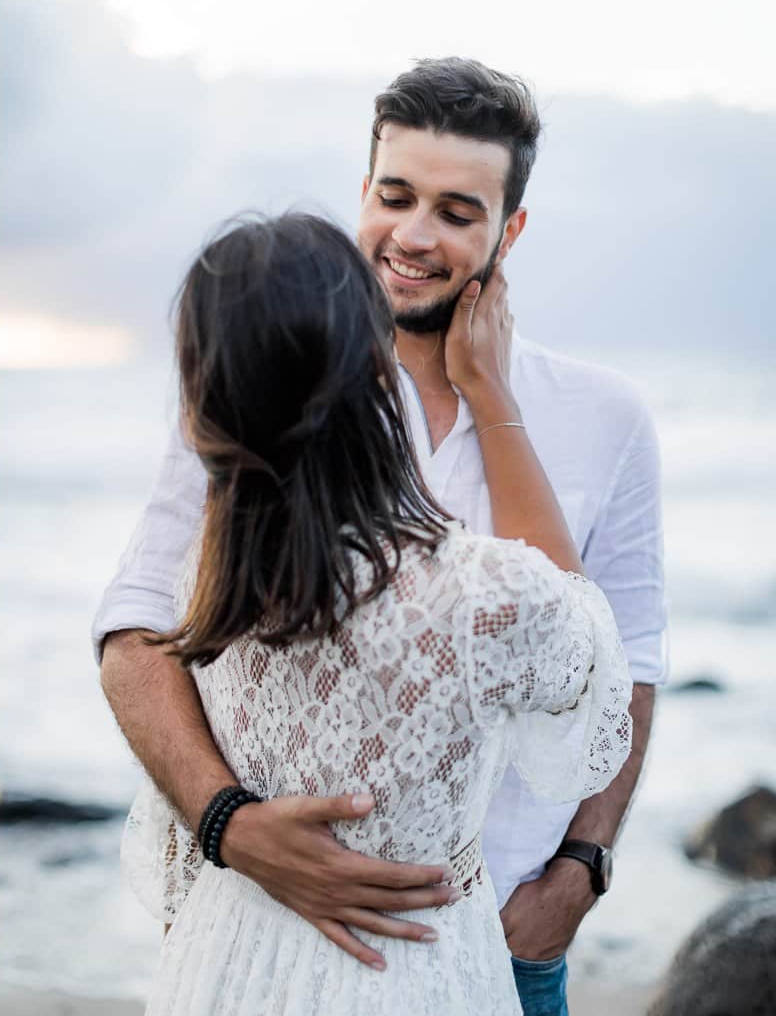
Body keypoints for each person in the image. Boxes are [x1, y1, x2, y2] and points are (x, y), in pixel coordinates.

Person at [98, 58, 666, 1016]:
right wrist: (228, 826)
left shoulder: (607, 415)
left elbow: (631, 661)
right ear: (363, 190)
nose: (412, 235)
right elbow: (139, 631)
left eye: (456, 211)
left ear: (508, 231)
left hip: (492, 938)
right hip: (259, 921)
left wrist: (580, 872)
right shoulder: (268, 393)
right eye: (394, 195)